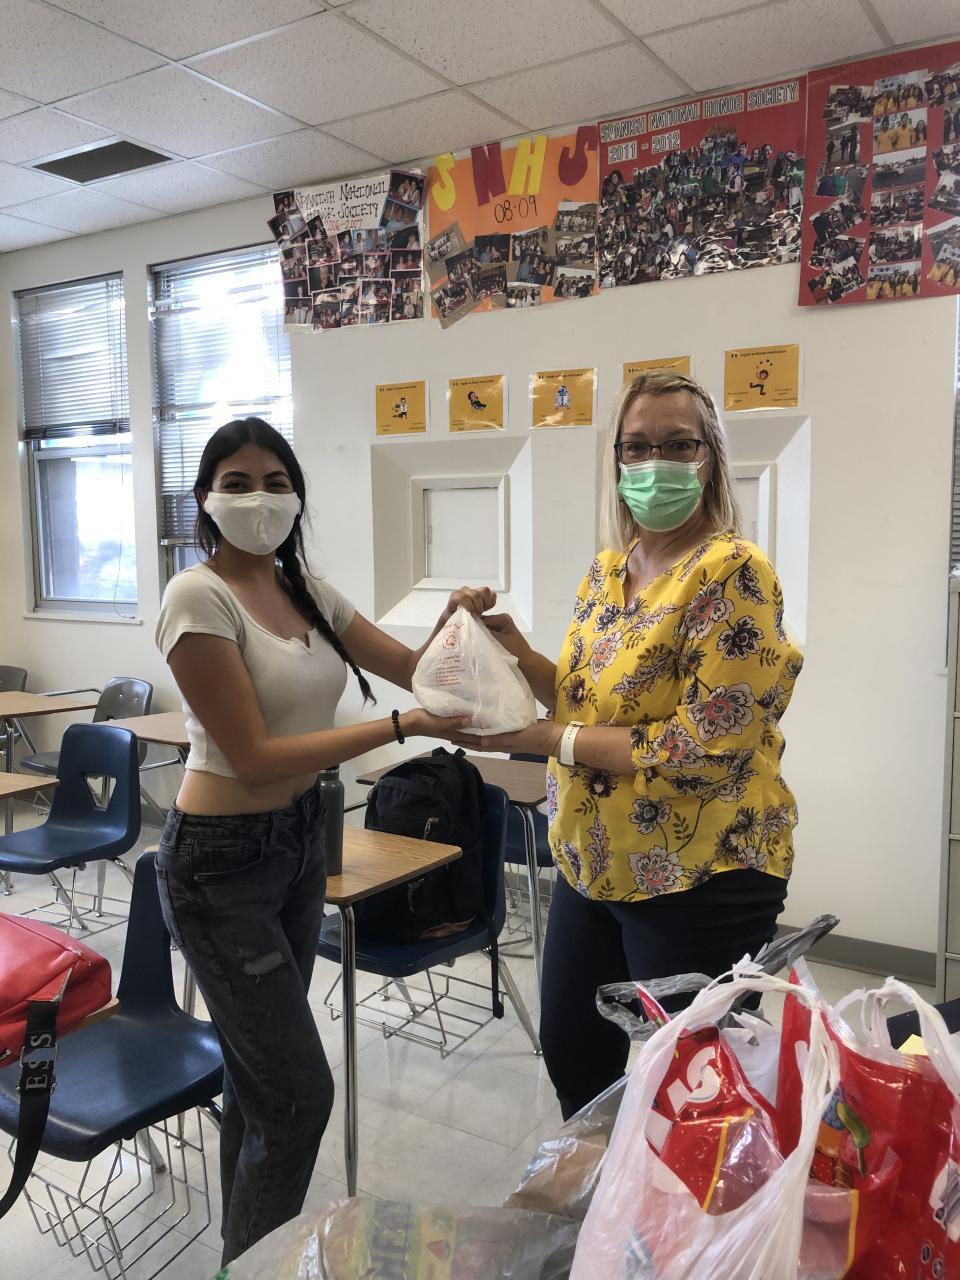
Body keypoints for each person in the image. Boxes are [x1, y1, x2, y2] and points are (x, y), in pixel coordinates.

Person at [154, 418, 480, 1263]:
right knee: (299, 1096)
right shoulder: (196, 596)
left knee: (259, 1081)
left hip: (300, 840)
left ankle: (241, 1257)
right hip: (220, 863)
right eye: (236, 483)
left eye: (275, 482)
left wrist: (454, 624)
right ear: (204, 497)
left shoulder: (309, 592)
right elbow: (255, 758)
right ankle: (258, 1264)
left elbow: (414, 669)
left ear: (297, 496)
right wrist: (401, 727)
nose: (258, 499)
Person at [457, 371, 803, 1118]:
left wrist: (548, 738)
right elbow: (582, 698)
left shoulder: (732, 572)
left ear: (710, 457)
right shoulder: (609, 570)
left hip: (700, 875)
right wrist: (510, 647)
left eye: (678, 444)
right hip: (592, 862)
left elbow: (702, 744)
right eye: (636, 447)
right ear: (616, 461)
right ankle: (604, 1189)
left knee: (697, 1096)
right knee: (574, 1056)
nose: (655, 463)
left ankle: (686, 1201)